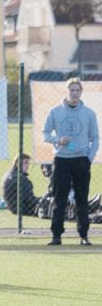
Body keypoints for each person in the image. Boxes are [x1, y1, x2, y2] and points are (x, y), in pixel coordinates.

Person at [43, 77, 99, 246]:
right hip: (62, 160)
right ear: (66, 91)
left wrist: (89, 158)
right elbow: (44, 134)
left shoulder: (89, 113)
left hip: (81, 160)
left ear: (81, 92)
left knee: (82, 199)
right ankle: (56, 235)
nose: (74, 93)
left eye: (77, 90)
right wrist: (58, 140)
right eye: (71, 90)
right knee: (59, 199)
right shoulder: (55, 111)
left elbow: (95, 138)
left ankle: (83, 235)